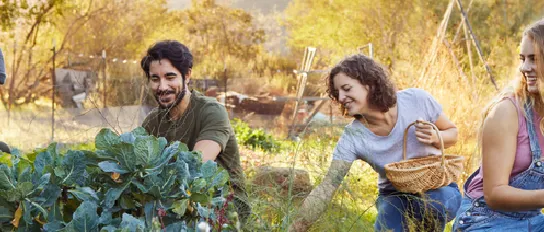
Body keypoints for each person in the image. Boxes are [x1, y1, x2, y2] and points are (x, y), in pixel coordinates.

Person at [288, 54, 461, 232]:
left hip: (437, 186)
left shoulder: (416, 100)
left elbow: (452, 133)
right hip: (394, 195)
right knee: (387, 225)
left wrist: (435, 136)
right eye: (337, 93)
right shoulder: (353, 136)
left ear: (369, 84)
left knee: (434, 206)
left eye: (347, 89)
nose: (341, 98)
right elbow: (328, 186)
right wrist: (296, 227)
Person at [140, 40, 250, 224]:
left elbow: (196, 166)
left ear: (187, 75)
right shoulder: (152, 121)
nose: (162, 87)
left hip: (223, 208)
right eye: (155, 79)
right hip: (174, 207)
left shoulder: (211, 111)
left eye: (170, 77)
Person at [452, 19, 544, 232]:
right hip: (485, 220)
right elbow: (494, 194)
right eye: (523, 59)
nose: (524, 67)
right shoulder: (507, 112)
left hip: (530, 221)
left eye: (534, 59)